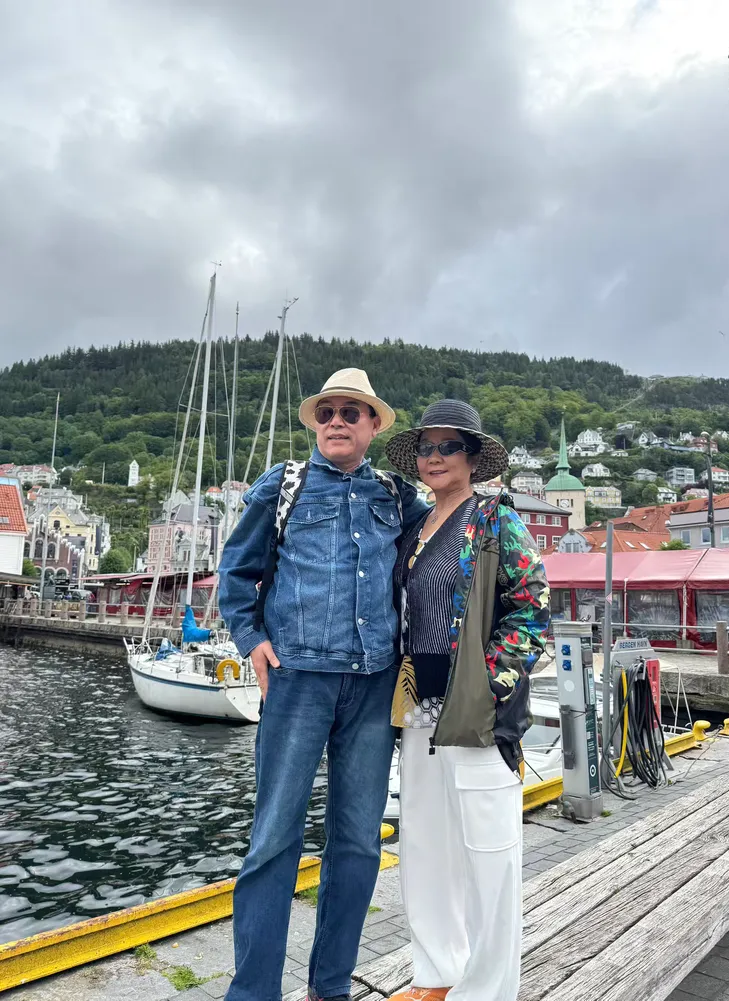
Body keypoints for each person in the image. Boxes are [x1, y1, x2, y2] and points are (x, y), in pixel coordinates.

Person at [218, 368, 428, 1001]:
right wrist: (251, 638)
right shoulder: (281, 487)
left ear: (373, 425)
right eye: (327, 412)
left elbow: (442, 541)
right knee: (273, 838)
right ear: (315, 423)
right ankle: (254, 993)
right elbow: (236, 573)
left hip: (374, 684)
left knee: (359, 841)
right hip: (297, 682)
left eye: (351, 412)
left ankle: (330, 987)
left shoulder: (396, 496)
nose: (337, 421)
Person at [384, 399, 550, 1001]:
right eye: (426, 448)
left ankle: (489, 990)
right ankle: (438, 974)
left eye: (448, 446)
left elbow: (532, 607)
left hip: (476, 709)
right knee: (425, 845)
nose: (434, 457)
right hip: (418, 706)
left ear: (473, 458)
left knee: (490, 853)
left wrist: (491, 685)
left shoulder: (495, 521)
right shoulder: (414, 529)